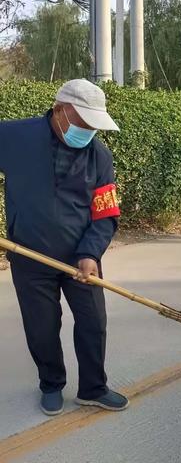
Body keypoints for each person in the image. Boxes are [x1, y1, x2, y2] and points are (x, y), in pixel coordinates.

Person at [0, 79, 129, 416]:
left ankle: (93, 388)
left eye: (93, 124)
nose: (88, 130)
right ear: (59, 110)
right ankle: (51, 383)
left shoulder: (99, 155)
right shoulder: (14, 137)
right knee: (41, 326)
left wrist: (90, 253)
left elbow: (106, 213)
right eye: (82, 121)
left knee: (93, 322)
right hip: (29, 255)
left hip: (80, 260)